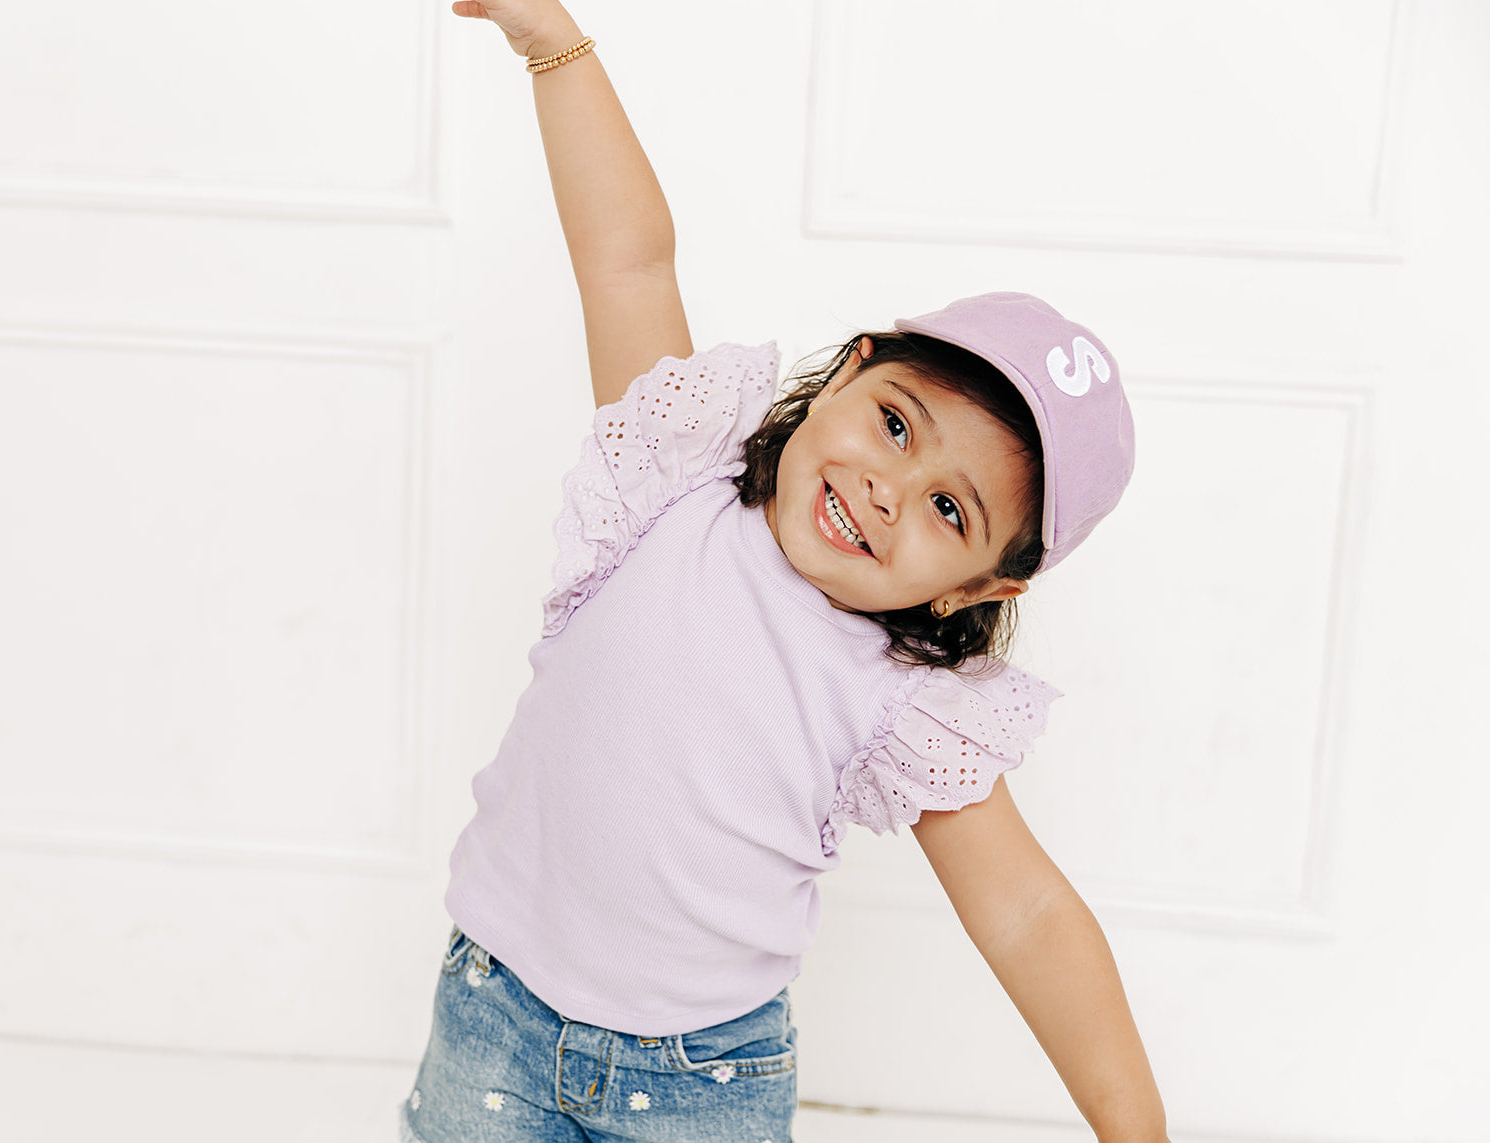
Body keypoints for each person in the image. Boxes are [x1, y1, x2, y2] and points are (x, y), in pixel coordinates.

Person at [402, 2, 1168, 1140]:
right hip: (494, 1013)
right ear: (849, 370)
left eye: (948, 509)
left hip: (699, 1083)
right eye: (896, 424)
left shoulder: (904, 704)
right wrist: (550, 42)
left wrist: (1134, 1127)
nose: (886, 490)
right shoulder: (673, 485)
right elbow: (628, 260)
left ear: (975, 590)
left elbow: (1027, 914)